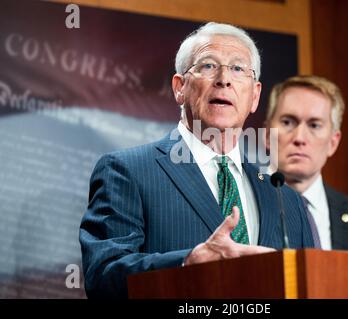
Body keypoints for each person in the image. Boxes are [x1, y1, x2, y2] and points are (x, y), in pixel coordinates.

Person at [79, 23, 314, 299]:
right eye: (208, 66)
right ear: (179, 88)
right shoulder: (127, 172)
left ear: (255, 96)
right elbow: (103, 277)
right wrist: (187, 263)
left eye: (238, 69)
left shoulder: (286, 199)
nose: (224, 79)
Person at [265, 75, 348, 252]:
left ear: (333, 142)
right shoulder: (241, 204)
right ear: (268, 134)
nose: (299, 138)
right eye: (288, 122)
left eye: (314, 125)